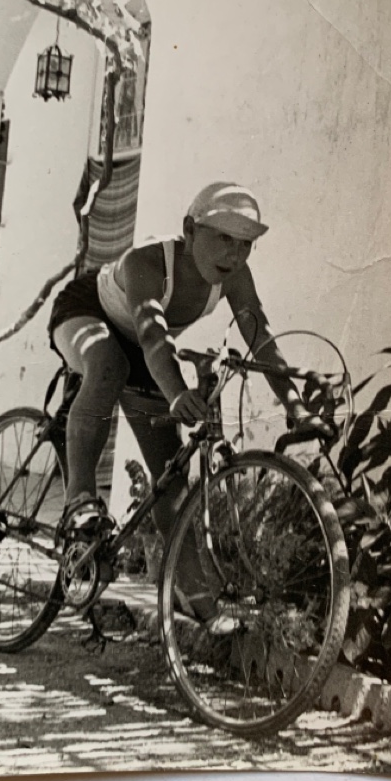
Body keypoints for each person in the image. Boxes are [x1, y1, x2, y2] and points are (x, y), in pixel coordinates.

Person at [48, 181, 310, 619]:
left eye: (245, 245)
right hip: (89, 314)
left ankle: (190, 593)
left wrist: (294, 405)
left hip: (147, 351)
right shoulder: (148, 261)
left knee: (172, 476)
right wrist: (176, 393)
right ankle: (79, 503)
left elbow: (260, 337)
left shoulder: (234, 278)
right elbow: (152, 334)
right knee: (109, 365)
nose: (234, 254)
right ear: (189, 230)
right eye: (223, 238)